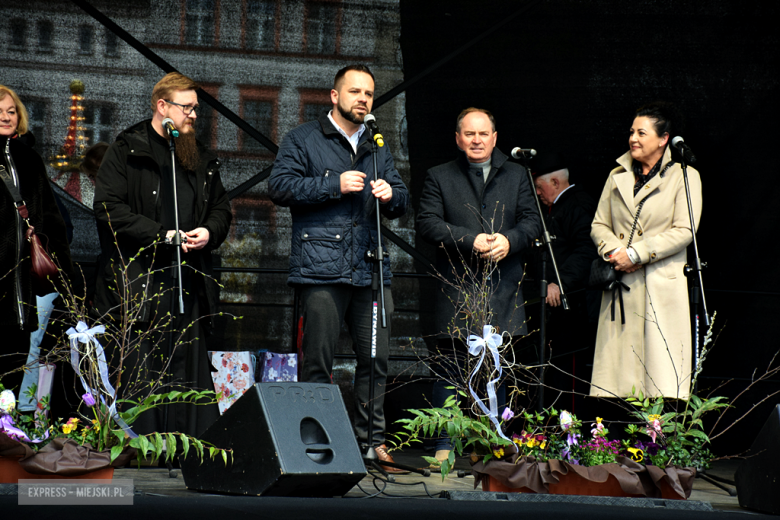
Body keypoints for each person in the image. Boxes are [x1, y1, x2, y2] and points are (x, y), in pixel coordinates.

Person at [268, 65, 409, 472]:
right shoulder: (304, 138)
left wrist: (390, 195)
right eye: (354, 92)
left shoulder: (377, 143)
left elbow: (402, 197)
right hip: (321, 271)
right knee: (318, 361)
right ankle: (316, 446)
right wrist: (333, 184)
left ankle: (373, 443)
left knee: (376, 360)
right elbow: (279, 187)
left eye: (368, 93)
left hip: (371, 269)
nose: (363, 99)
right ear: (334, 96)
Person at [93, 72, 232, 437]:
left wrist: (208, 231)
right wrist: (162, 235)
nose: (194, 115)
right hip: (140, 279)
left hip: (188, 281)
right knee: (141, 367)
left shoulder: (199, 155)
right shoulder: (128, 150)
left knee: (187, 365)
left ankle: (190, 447)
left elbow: (221, 209)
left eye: (196, 108)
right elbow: (108, 208)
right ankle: (142, 446)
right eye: (187, 108)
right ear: (162, 107)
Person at [417, 108, 541, 463]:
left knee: (498, 371)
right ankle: (444, 446)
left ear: (495, 137)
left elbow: (532, 222)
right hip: (455, 287)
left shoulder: (519, 175)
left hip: (502, 290)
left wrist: (510, 240)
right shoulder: (439, 175)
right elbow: (426, 223)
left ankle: (488, 444)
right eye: (469, 134)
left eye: (483, 134)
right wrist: (469, 239)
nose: (476, 140)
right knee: (450, 370)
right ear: (458, 139)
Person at [590, 101, 701, 399]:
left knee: (660, 387)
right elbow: (599, 224)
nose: (633, 138)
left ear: (663, 139)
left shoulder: (685, 176)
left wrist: (637, 253)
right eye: (631, 132)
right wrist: (617, 253)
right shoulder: (616, 176)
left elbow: (684, 230)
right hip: (621, 287)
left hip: (660, 290)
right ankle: (611, 446)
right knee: (616, 389)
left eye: (641, 132)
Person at [0, 85, 73, 393]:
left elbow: (53, 219)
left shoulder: (30, 159)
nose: (5, 117)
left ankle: (7, 433)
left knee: (13, 370)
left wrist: (70, 282)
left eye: (11, 111)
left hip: (22, 287)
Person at [531, 153, 598, 410]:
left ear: (556, 183)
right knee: (554, 368)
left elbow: (586, 250)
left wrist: (560, 283)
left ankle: (569, 433)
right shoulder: (559, 207)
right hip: (556, 303)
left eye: (540, 186)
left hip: (573, 304)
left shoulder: (578, 205)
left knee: (568, 371)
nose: (537, 192)